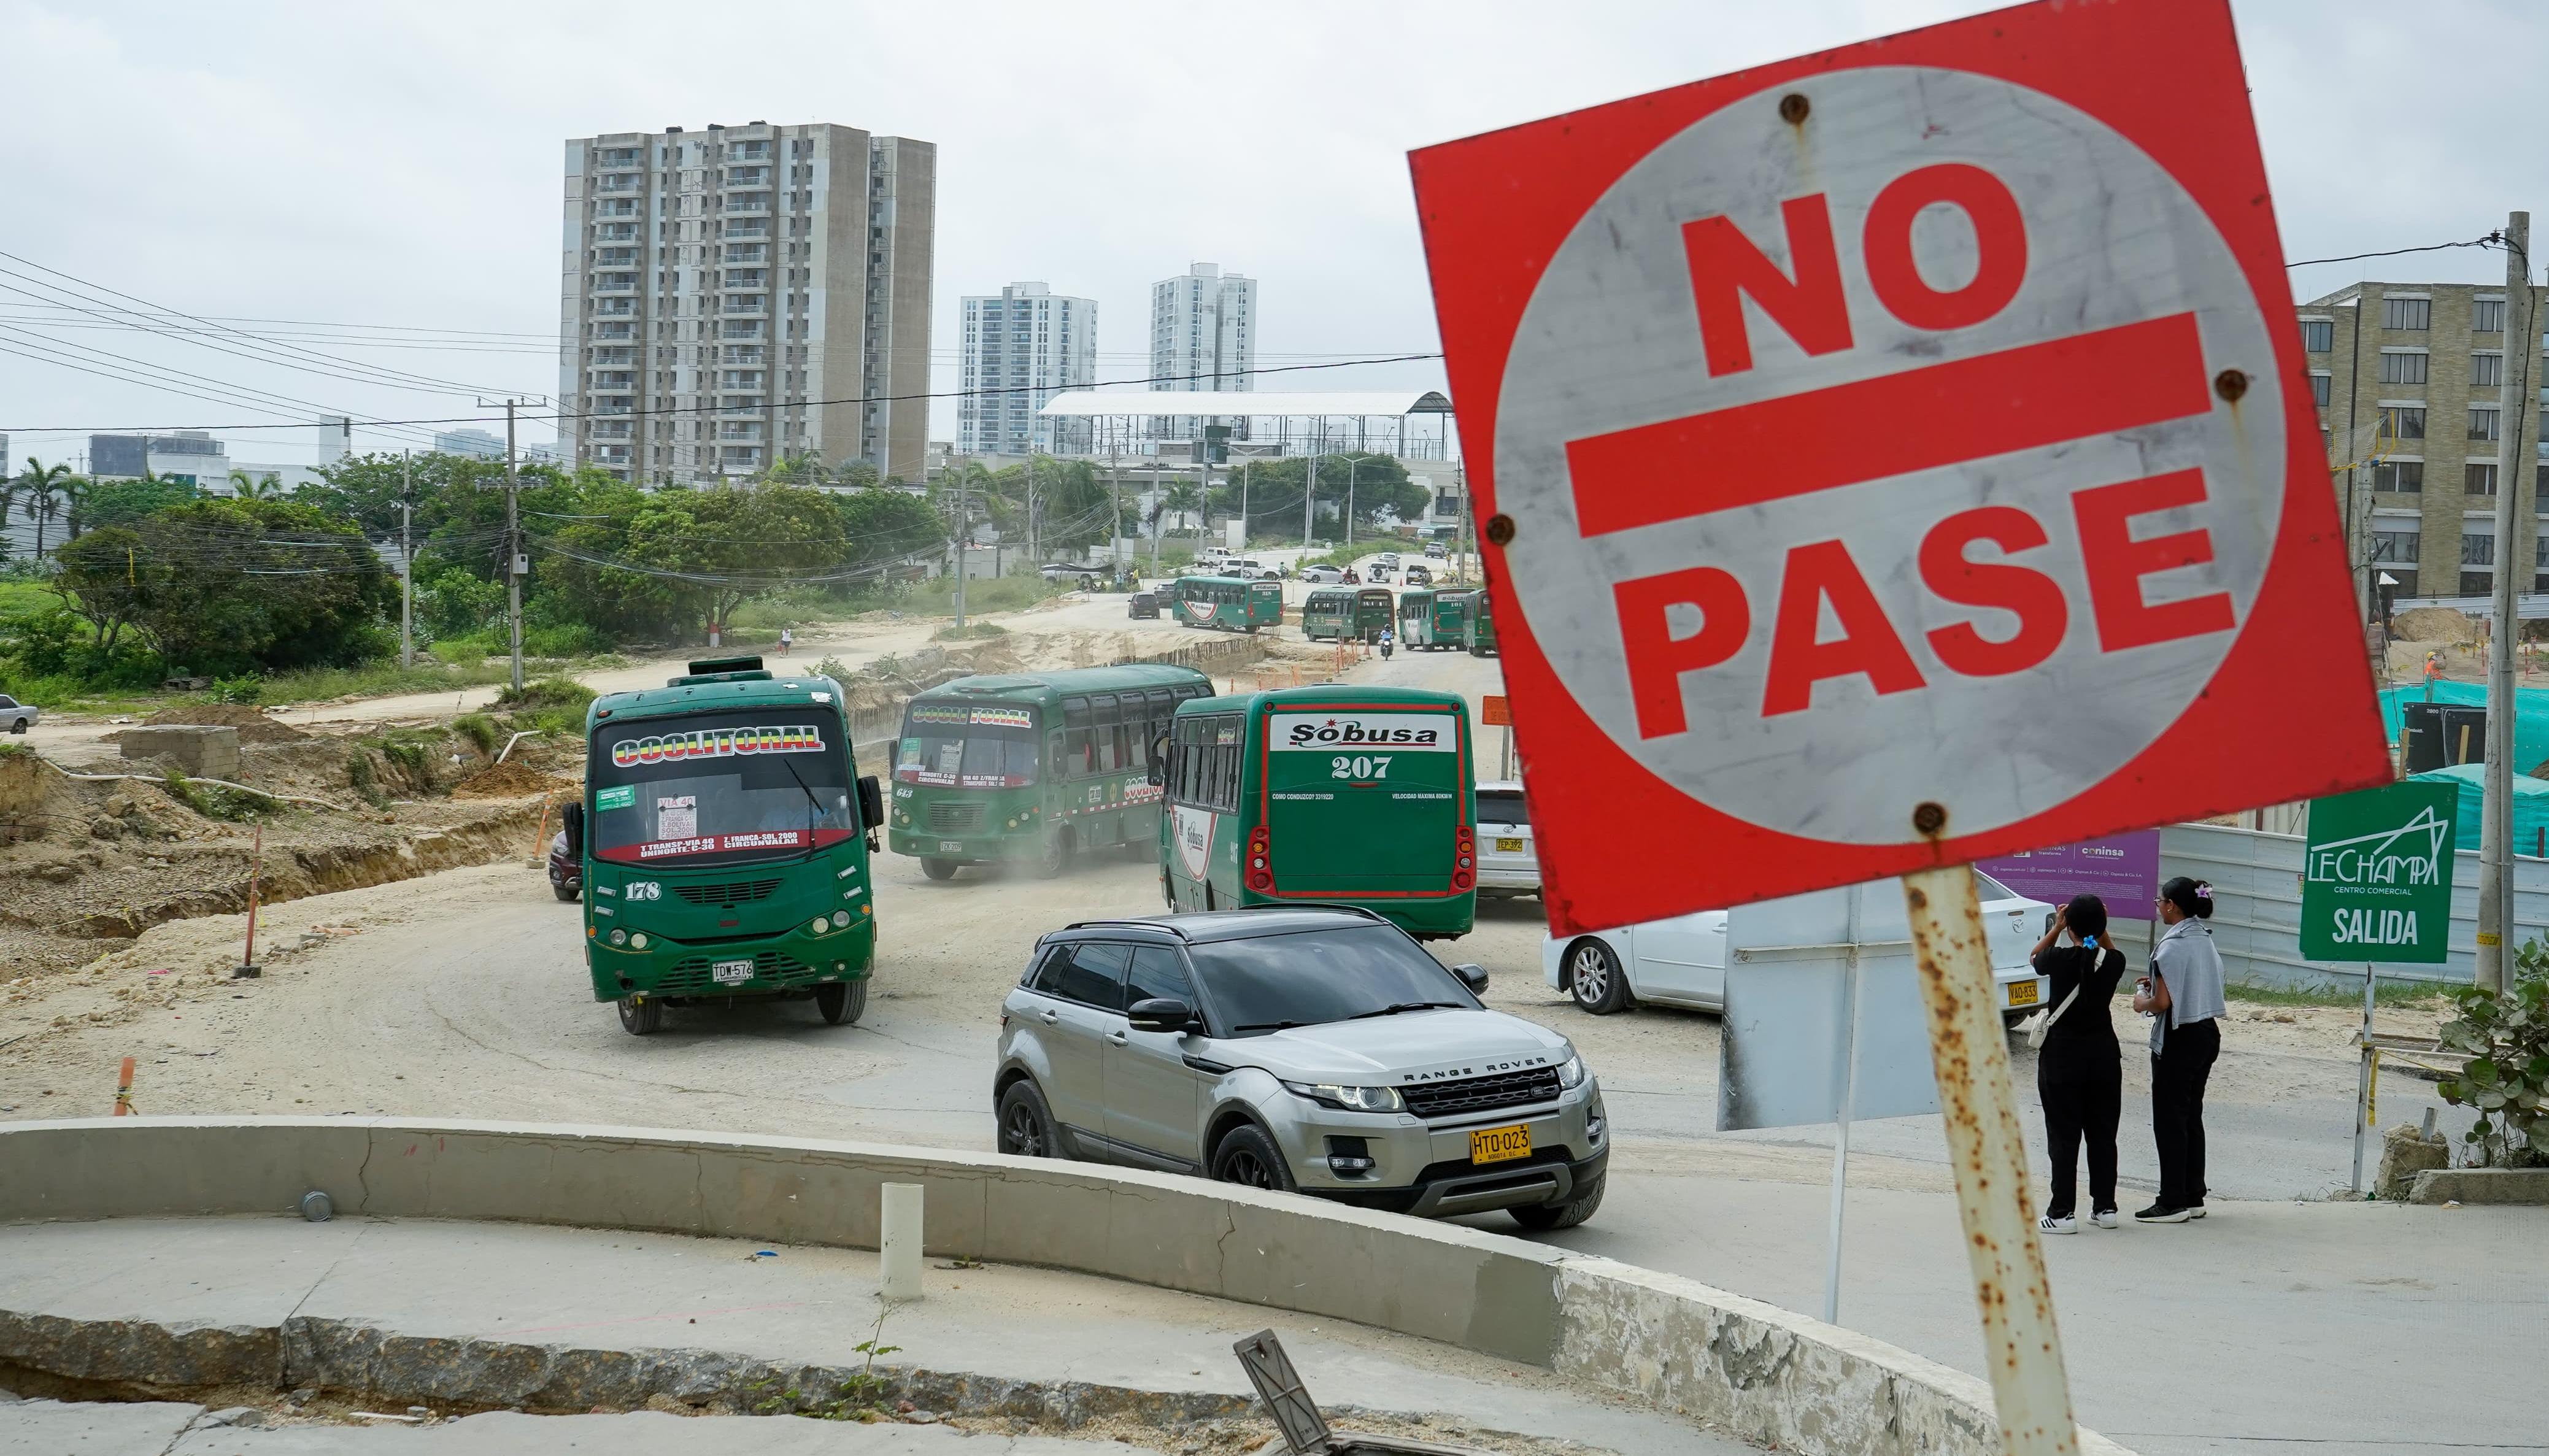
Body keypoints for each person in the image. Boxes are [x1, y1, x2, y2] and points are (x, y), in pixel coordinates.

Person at [2027, 895, 2127, 1233]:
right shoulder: (2114, 962)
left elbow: (2035, 957)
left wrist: (2057, 927)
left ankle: (2061, 1213)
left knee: (2063, 1136)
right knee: (2102, 1135)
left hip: (2062, 1058)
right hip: (2103, 1057)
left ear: (2069, 924)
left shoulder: (2057, 959)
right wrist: (2100, 930)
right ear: (2102, 926)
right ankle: (2105, 1208)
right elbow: (2109, 952)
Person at [2135, 876, 2227, 1223]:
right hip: (2206, 1032)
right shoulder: (2203, 939)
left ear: (2172, 905)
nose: (2158, 906)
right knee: (2190, 1115)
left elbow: (2160, 1003)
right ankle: (2193, 1196)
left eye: (2160, 900)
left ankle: (2171, 1201)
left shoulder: (2172, 947)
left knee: (2170, 1120)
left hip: (2180, 1035)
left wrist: (2140, 1001)